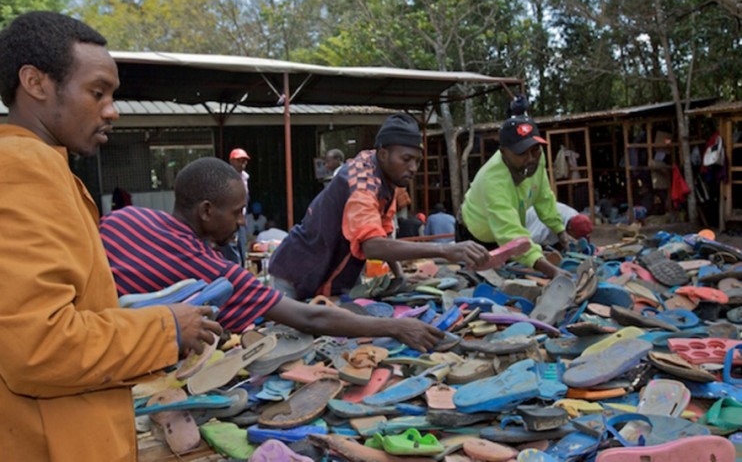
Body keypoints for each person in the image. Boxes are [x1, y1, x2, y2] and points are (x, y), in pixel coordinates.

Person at [0, 11, 222, 461]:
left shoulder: (44, 165)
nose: (111, 110)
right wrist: (165, 328)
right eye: (97, 92)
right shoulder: (26, 168)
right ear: (36, 83)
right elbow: (38, 347)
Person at [100, 157, 444, 351]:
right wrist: (397, 327)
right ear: (206, 211)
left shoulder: (122, 217)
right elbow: (310, 318)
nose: (240, 222)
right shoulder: (213, 272)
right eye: (236, 212)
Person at [268, 113, 491, 300]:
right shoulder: (362, 183)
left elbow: (383, 235)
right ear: (383, 154)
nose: (413, 168)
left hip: (334, 279)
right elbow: (372, 246)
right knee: (286, 342)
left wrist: (400, 277)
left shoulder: (387, 178)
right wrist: (445, 249)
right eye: (406, 159)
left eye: (417, 161)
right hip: (295, 276)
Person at [460, 97, 569, 279]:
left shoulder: (537, 160)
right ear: (503, 152)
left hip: (506, 235)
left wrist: (560, 231)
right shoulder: (493, 180)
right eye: (521, 153)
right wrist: (552, 271)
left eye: (535, 150)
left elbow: (544, 197)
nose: (531, 158)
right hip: (477, 239)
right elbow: (511, 236)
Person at [219, 147, 251, 266]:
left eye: (244, 160)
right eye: (239, 160)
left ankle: (241, 273)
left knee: (242, 248)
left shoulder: (245, 178)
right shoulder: (227, 178)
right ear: (232, 161)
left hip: (240, 219)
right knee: (231, 250)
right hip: (230, 218)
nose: (242, 163)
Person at [526, 202, 594, 246]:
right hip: (527, 225)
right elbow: (529, 242)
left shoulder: (575, 216)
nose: (576, 239)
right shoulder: (545, 226)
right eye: (576, 237)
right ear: (570, 229)